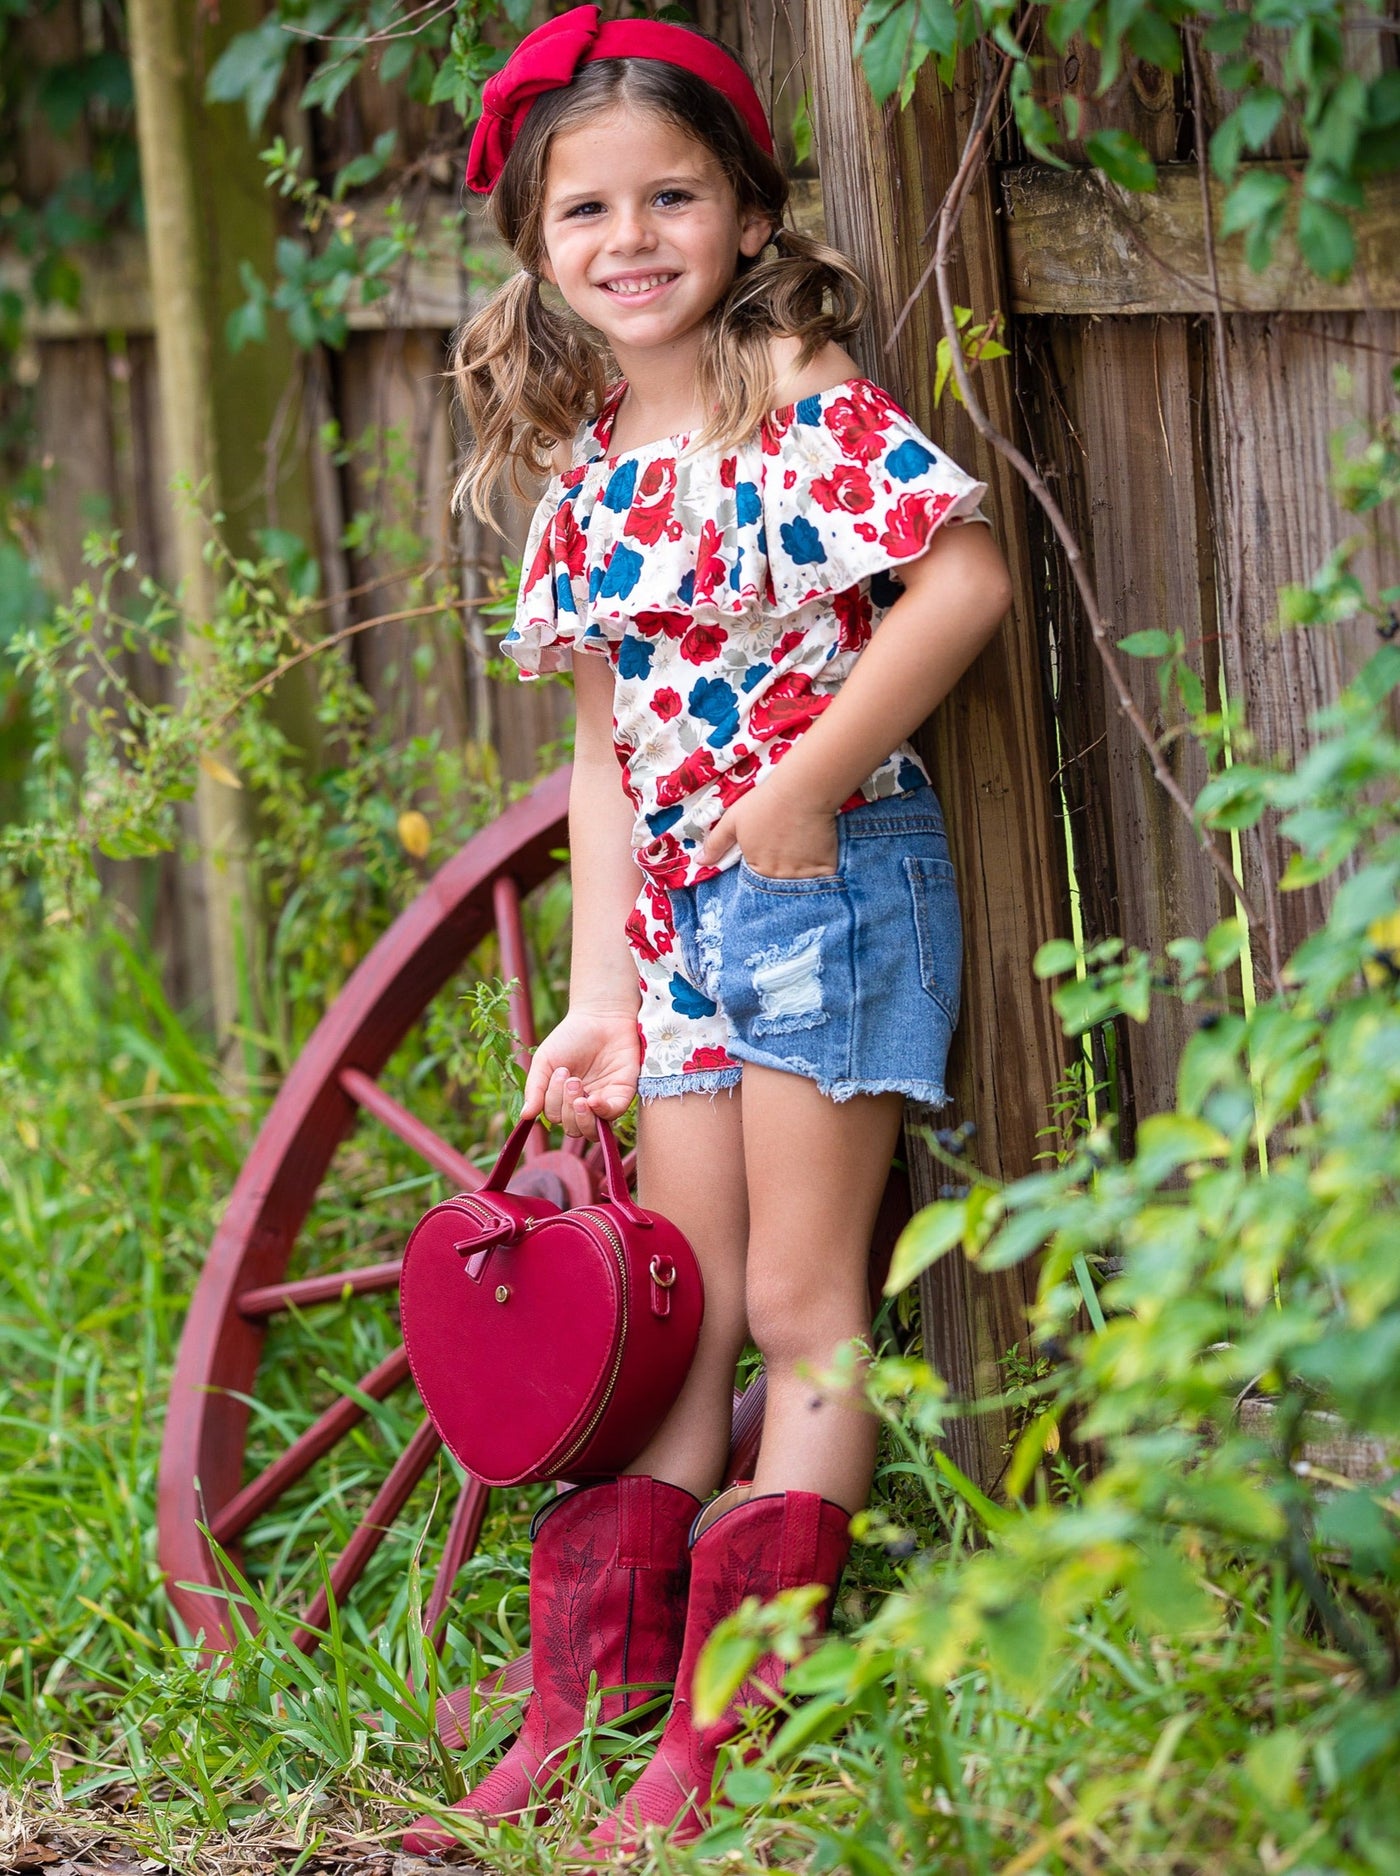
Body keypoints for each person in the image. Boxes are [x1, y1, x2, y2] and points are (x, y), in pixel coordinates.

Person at [403, 4, 1012, 1858]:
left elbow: (963, 578)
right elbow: (601, 749)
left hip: (826, 893)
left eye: (673, 195)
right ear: (537, 245)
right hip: (673, 931)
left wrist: (811, 782)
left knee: (803, 1310)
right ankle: (593, 1700)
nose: (632, 239)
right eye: (585, 212)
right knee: (678, 1324)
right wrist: (597, 993)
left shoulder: (798, 413)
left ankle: (727, 1735)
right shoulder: (589, 473)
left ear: (750, 212)